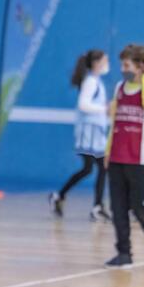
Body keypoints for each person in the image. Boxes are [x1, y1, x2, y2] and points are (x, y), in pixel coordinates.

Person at [104, 44, 144, 269]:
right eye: (122, 65)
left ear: (140, 66)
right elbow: (114, 122)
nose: (123, 69)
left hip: (140, 157)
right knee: (118, 208)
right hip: (117, 157)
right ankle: (124, 253)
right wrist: (108, 151)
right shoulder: (119, 88)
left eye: (127, 65)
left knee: (138, 205)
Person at [50, 49, 110, 221]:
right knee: (93, 168)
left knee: (96, 168)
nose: (107, 64)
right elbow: (83, 104)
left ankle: (92, 204)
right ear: (96, 63)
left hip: (95, 132)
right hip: (88, 133)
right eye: (105, 61)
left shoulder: (96, 81)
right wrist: (104, 108)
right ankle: (64, 197)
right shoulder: (90, 82)